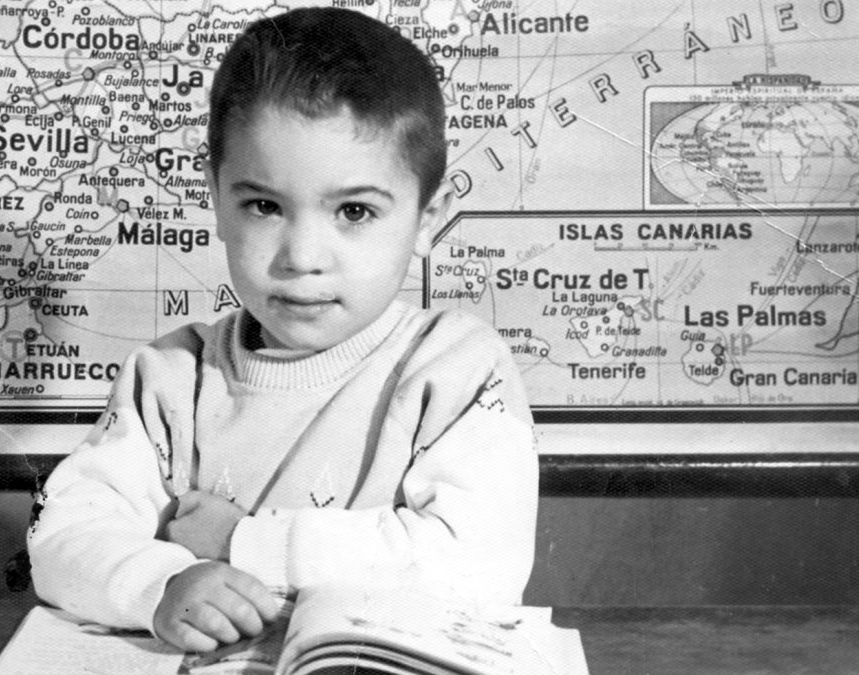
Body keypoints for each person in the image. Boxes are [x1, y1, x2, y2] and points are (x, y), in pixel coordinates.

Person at [27, 6, 538, 653]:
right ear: (216, 198)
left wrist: (242, 543)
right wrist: (160, 583)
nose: (302, 255)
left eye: (354, 210)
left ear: (426, 217)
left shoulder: (458, 369)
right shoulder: (171, 377)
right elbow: (62, 532)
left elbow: (479, 565)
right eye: (264, 206)